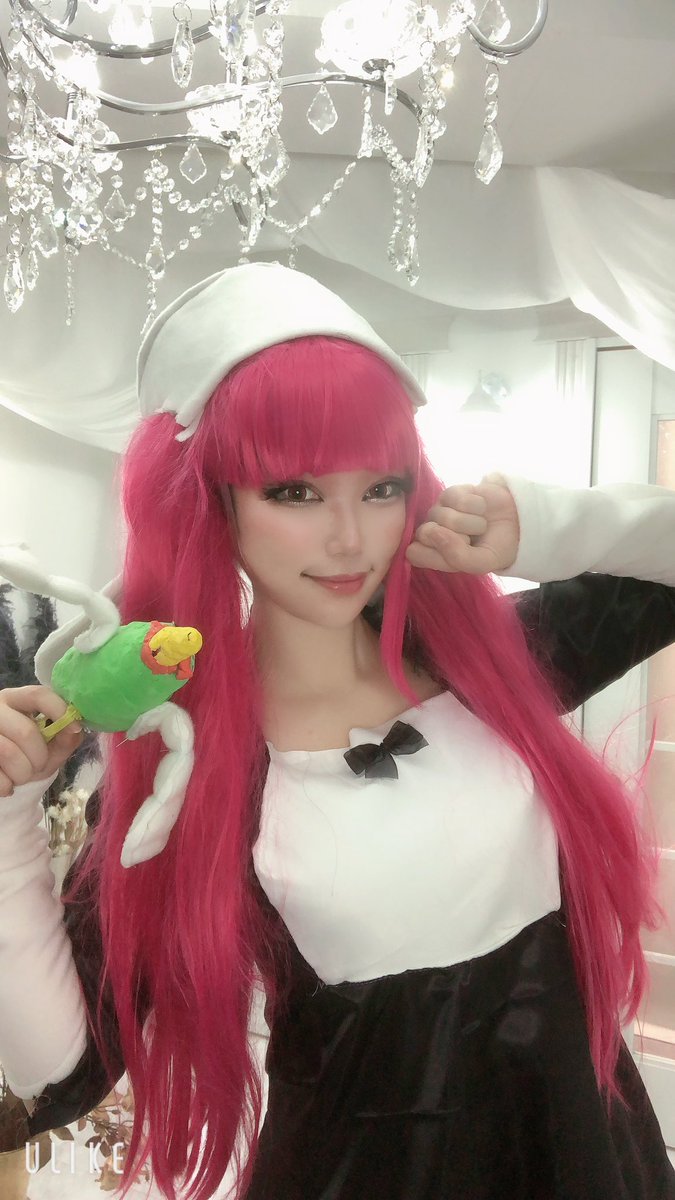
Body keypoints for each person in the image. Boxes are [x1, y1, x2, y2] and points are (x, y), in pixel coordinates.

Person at [1, 261, 675, 1200]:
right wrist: (7, 828)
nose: (351, 538)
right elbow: (56, 1072)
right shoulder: (193, 771)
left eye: (380, 487)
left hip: (588, 1154)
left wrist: (552, 525)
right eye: (295, 493)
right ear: (211, 499)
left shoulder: (494, 668)